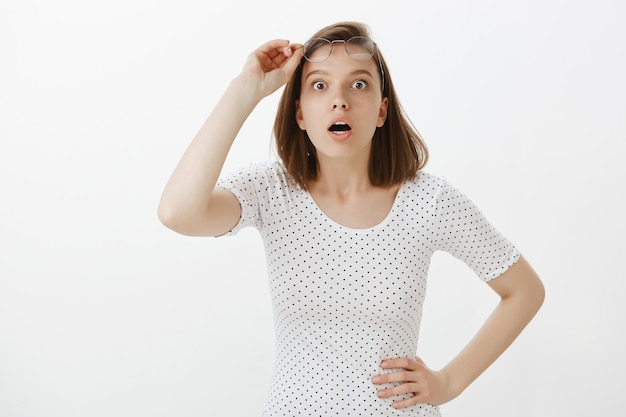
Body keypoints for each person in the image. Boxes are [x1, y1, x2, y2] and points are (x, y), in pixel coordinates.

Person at [158, 21, 545, 417]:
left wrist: (449, 382)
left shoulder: (430, 201)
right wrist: (245, 90)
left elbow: (525, 292)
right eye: (320, 86)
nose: (339, 100)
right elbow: (178, 213)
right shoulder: (270, 190)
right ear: (300, 113)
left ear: (381, 110)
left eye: (358, 84)